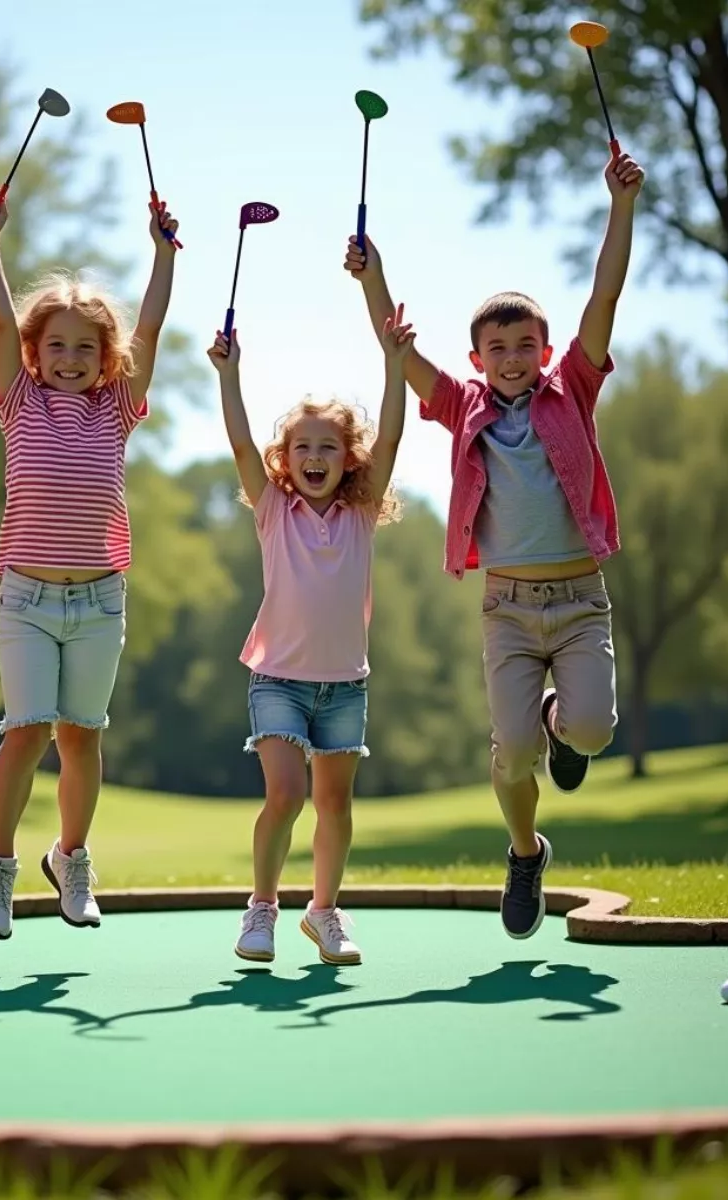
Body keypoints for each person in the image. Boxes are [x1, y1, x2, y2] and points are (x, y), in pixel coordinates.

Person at [347, 151, 646, 939]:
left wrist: (620, 207)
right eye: (497, 349)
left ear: (545, 354)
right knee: (512, 753)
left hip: (579, 601)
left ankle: (562, 720)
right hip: (507, 608)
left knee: (592, 733)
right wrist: (371, 276)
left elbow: (605, 295)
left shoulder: (573, 388)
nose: (512, 359)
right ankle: (525, 853)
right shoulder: (462, 404)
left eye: (525, 346)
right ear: (479, 358)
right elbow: (398, 350)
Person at [0, 193, 180, 940]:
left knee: (80, 736)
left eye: (87, 348)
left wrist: (162, 253)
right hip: (25, 598)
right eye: (57, 346)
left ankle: (73, 857)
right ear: (33, 353)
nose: (71, 359)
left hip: (99, 600)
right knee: (25, 731)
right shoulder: (18, 400)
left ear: (106, 359)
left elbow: (149, 329)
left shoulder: (115, 408)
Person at [206, 302, 412, 966]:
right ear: (284, 460)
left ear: (347, 459)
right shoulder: (273, 510)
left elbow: (392, 441)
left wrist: (395, 364)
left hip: (345, 685)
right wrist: (229, 377)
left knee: (335, 805)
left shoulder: (360, 514)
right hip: (279, 681)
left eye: (329, 447)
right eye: (303, 447)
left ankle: (323, 913)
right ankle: (262, 909)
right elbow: (239, 444)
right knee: (287, 794)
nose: (315, 457)